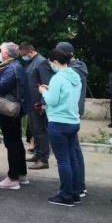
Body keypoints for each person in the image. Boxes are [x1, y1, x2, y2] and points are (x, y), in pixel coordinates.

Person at [0, 42, 28, 190]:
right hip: (16, 108)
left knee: (11, 143)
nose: (0, 53)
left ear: (7, 54)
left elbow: (1, 86)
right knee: (17, 141)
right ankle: (21, 174)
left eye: (1, 51)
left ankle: (13, 178)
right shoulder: (17, 66)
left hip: (9, 109)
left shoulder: (10, 68)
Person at [40, 48, 83, 206]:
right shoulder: (75, 76)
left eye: (51, 62)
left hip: (58, 122)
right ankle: (75, 192)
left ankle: (65, 195)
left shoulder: (57, 78)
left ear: (55, 62)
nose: (51, 65)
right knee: (73, 159)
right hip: (73, 121)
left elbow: (52, 101)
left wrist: (43, 91)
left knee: (63, 161)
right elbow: (67, 96)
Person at [56, 42, 88, 197]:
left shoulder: (73, 70)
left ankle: (77, 187)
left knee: (71, 154)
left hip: (68, 114)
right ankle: (77, 186)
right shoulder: (78, 68)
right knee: (73, 152)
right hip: (73, 113)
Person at [19, 43, 53, 170]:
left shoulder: (41, 62)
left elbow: (46, 84)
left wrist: (43, 103)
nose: (23, 57)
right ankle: (37, 154)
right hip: (30, 102)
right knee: (33, 130)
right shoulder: (30, 62)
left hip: (38, 103)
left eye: (23, 54)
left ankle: (44, 159)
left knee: (40, 131)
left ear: (30, 51)